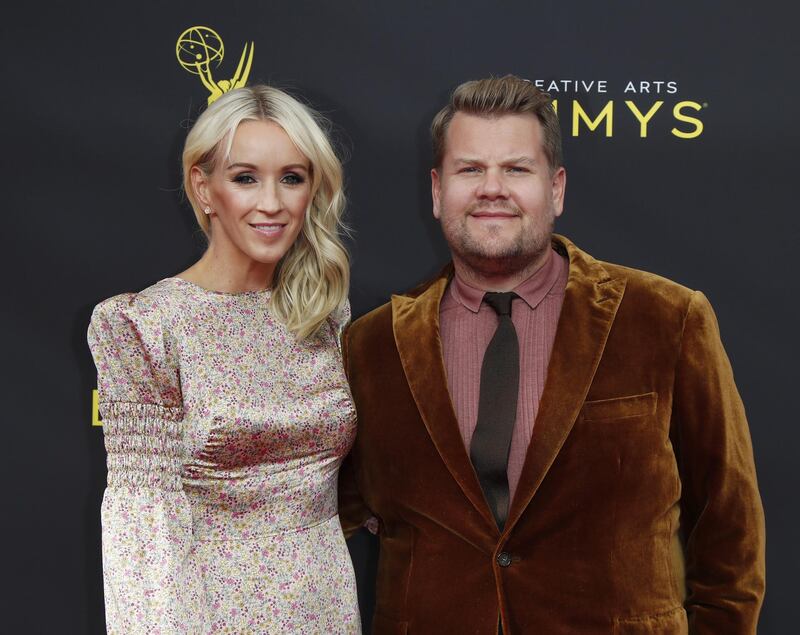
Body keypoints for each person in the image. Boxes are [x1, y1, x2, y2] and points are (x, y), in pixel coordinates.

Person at [339, 75, 765, 634]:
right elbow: (318, 512)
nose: (493, 188)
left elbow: (729, 529)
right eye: (471, 169)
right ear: (438, 191)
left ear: (556, 189)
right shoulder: (372, 346)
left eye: (517, 169)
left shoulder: (666, 317)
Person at [88, 85, 360, 633]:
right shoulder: (145, 326)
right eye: (245, 178)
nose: (272, 203)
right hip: (211, 611)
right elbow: (142, 529)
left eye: (292, 177)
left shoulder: (326, 313)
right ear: (203, 187)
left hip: (327, 602)